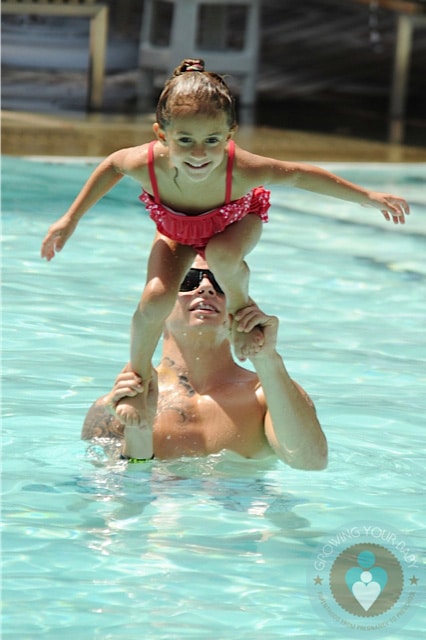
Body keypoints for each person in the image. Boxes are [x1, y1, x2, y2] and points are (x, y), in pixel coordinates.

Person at [41, 58, 409, 431]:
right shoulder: (144, 163)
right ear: (161, 135)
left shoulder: (243, 170)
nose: (199, 153)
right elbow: (111, 166)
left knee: (220, 254)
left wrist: (366, 196)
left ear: (230, 134)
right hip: (175, 230)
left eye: (212, 141)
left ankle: (239, 306)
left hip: (234, 223)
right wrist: (70, 219)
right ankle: (138, 376)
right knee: (154, 298)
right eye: (185, 141)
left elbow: (299, 175)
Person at [82, 257, 328, 469]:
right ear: (157, 303)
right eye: (188, 280)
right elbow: (116, 503)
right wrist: (140, 433)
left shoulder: (267, 395)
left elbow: (310, 463)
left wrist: (267, 358)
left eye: (221, 282)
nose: (206, 287)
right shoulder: (117, 406)